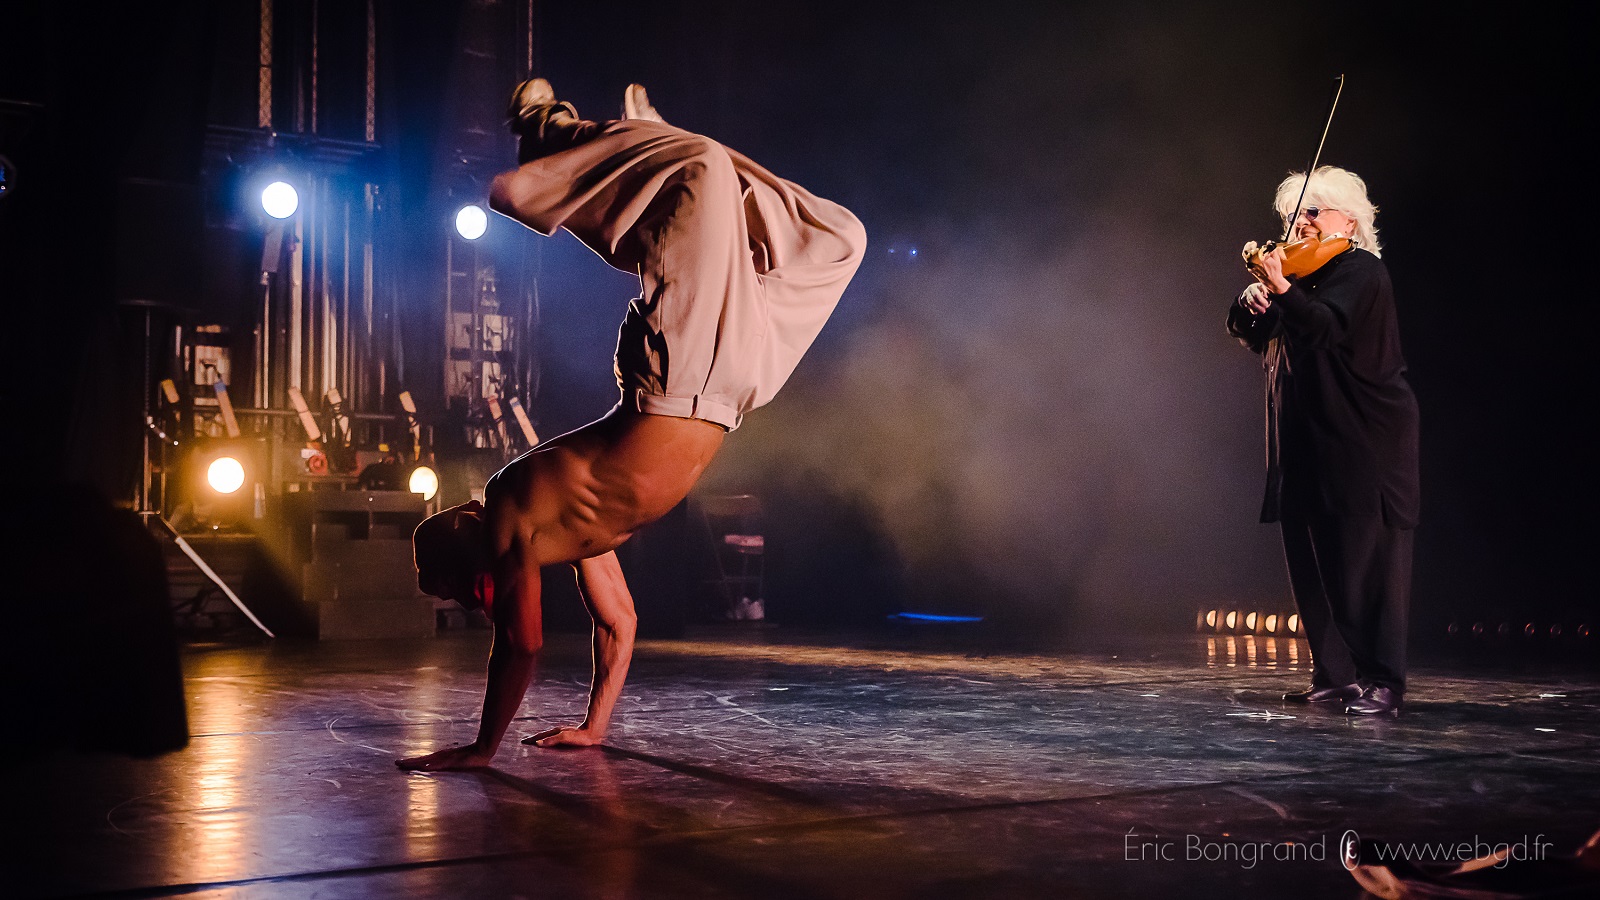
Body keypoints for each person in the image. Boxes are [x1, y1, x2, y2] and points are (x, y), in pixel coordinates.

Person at [398, 81, 866, 771]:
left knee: (701, 169)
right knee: (838, 238)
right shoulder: (572, 531)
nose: (463, 593)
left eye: (446, 577)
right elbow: (619, 622)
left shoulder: (507, 510)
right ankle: (644, 143)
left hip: (677, 375)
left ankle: (551, 131)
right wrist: (594, 726)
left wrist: (482, 748)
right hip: (732, 386)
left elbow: (521, 644)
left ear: (464, 531)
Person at [1227, 166, 1420, 717]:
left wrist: (1282, 289)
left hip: (1363, 441)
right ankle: (1334, 675)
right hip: (1303, 442)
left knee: (1367, 567)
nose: (1302, 223)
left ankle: (1384, 680)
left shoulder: (1362, 272)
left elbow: (1326, 328)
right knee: (1310, 561)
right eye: (1296, 213)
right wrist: (1253, 305)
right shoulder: (1298, 276)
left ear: (1350, 221)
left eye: (1315, 211)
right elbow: (1254, 334)